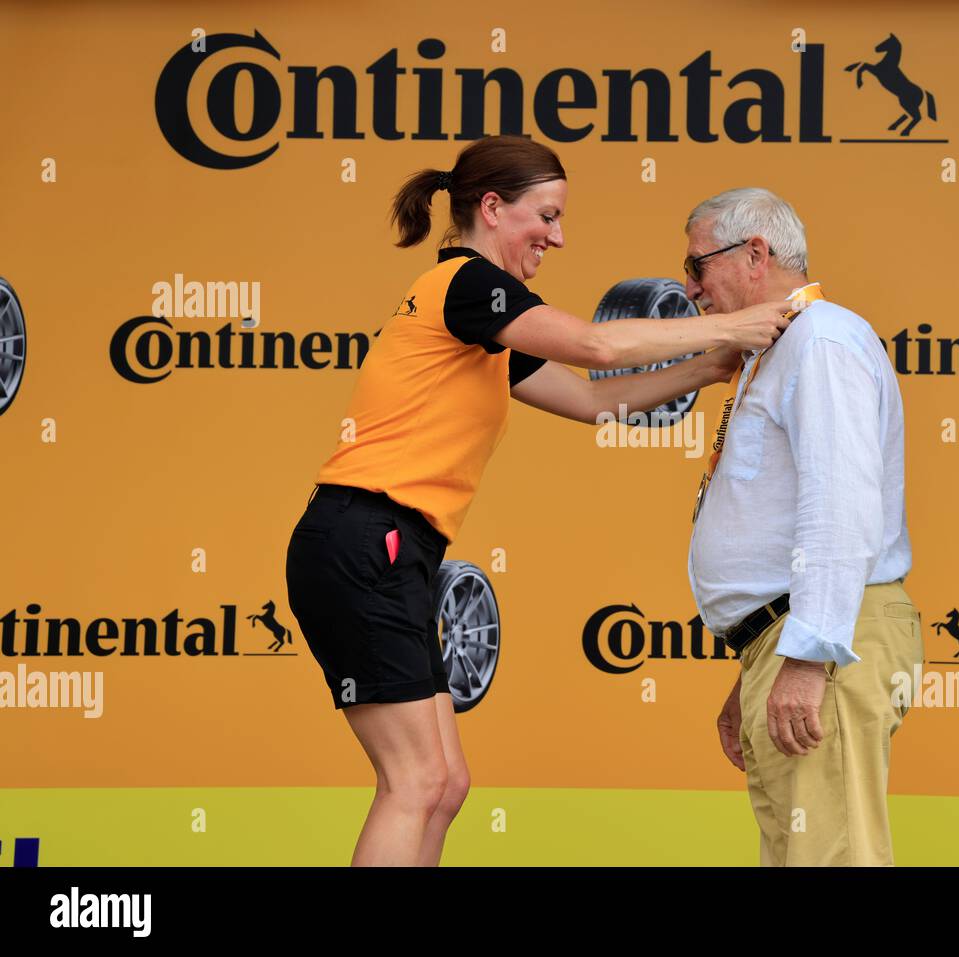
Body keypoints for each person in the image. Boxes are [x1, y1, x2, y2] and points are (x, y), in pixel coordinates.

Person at [285, 135, 796, 866]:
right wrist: (731, 323)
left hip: (390, 549)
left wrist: (712, 366)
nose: (558, 236)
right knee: (415, 779)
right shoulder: (465, 284)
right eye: (546, 216)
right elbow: (592, 345)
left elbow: (595, 401)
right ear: (491, 209)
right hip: (364, 538)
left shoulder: (483, 324)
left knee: (444, 783)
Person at [685, 187, 922, 866]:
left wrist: (810, 653)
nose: (690, 286)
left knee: (831, 856)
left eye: (697, 264)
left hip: (825, 643)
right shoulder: (781, 346)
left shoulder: (821, 339)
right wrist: (762, 657)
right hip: (795, 638)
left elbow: (841, 504)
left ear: (755, 253)